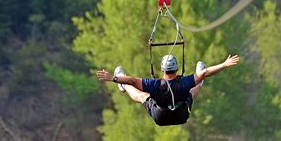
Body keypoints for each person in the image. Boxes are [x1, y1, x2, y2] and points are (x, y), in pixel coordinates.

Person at [96, 54, 240, 126]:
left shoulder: (155, 85)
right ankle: (199, 83)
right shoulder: (183, 82)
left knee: (142, 96)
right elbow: (205, 72)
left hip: (160, 117)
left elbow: (133, 80)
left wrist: (113, 78)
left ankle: (122, 85)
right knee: (192, 89)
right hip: (181, 116)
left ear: (162, 70)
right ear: (177, 69)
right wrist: (224, 64)